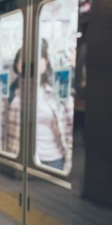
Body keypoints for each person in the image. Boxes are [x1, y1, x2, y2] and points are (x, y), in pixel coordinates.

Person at [35, 39, 73, 171]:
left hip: (54, 160)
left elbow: (69, 127)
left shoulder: (56, 90)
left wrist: (68, 164)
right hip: (27, 161)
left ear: (46, 61)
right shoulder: (19, 93)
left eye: (38, 58)